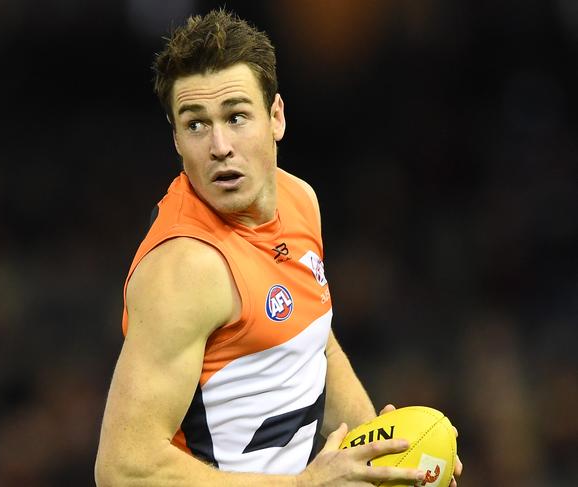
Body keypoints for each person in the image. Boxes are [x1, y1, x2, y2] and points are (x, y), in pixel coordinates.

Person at [95, 9, 461, 486]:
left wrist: (380, 456)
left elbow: (314, 346)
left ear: (276, 117)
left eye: (236, 116)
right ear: (177, 141)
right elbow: (123, 467)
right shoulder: (187, 269)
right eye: (196, 124)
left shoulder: (299, 200)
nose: (220, 145)